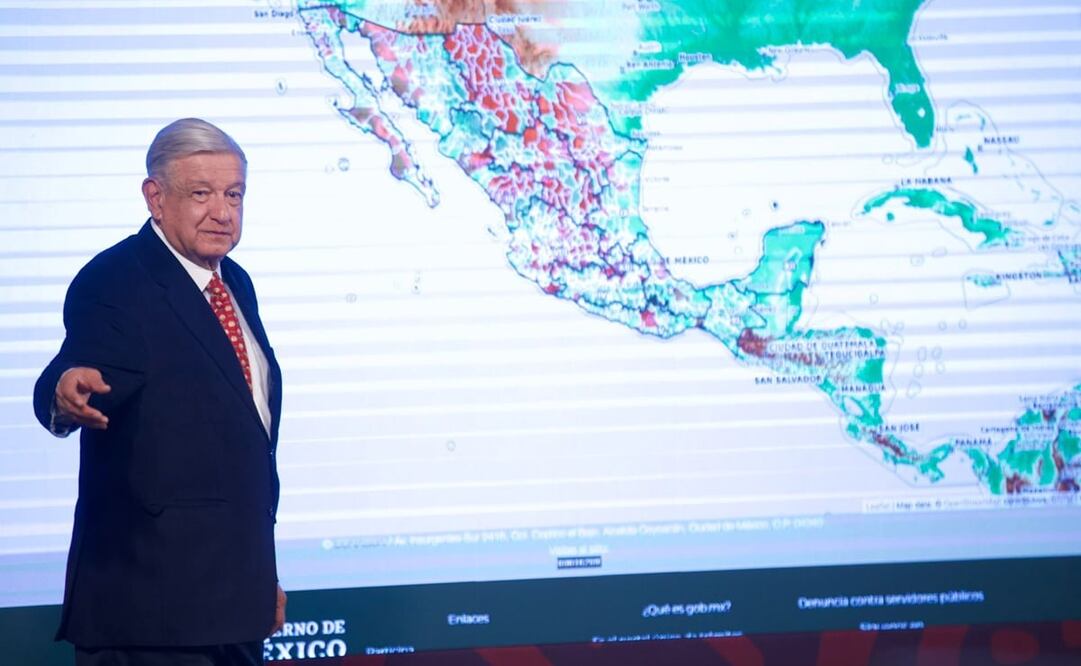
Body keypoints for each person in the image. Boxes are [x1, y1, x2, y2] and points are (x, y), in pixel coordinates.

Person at [33, 118, 286, 665]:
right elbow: (81, 364)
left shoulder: (235, 283)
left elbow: (241, 444)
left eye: (234, 194)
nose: (222, 212)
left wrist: (260, 577)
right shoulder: (116, 280)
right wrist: (65, 390)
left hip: (232, 607)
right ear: (155, 197)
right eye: (201, 194)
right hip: (152, 617)